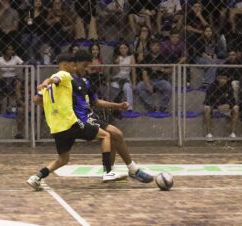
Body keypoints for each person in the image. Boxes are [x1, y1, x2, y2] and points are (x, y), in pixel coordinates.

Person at [27, 53, 126, 191]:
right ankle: (108, 172)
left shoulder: (48, 89)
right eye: (72, 65)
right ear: (65, 65)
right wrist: (47, 81)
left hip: (56, 128)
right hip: (70, 123)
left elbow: (36, 99)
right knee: (106, 135)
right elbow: (56, 78)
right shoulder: (64, 75)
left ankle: (37, 177)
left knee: (63, 159)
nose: (74, 68)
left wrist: (52, 109)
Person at [72, 49, 154, 183]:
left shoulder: (85, 81)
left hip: (90, 117)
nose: (86, 69)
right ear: (75, 64)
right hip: (80, 120)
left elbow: (96, 102)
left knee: (115, 138)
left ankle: (109, 172)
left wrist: (118, 105)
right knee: (116, 133)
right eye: (84, 65)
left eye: (88, 66)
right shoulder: (67, 80)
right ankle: (132, 170)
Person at [203, 68, 239, 141]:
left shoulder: (229, 86)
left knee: (236, 108)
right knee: (206, 108)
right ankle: (209, 134)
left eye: (224, 78)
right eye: (220, 78)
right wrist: (217, 106)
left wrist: (229, 105)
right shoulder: (212, 86)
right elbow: (207, 101)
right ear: (217, 78)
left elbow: (233, 100)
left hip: (226, 107)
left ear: (228, 79)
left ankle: (232, 134)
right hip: (214, 107)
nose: (222, 80)